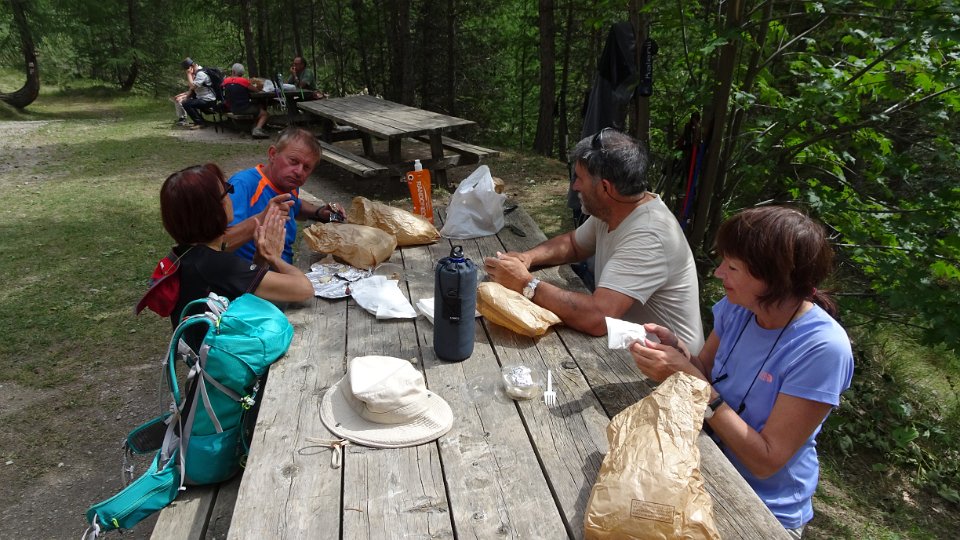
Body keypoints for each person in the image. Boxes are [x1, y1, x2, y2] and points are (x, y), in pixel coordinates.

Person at [629, 206, 854, 537]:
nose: (719, 273)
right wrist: (676, 353)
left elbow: (766, 461)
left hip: (762, 507)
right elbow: (704, 370)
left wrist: (692, 380)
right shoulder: (739, 308)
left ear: (774, 280)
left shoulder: (822, 349)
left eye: (732, 267)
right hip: (701, 466)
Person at [484, 128, 704, 351]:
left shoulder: (649, 235)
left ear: (605, 187)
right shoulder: (615, 208)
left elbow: (598, 318)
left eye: (579, 178)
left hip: (667, 366)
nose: (574, 186)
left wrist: (525, 283)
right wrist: (527, 258)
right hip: (629, 348)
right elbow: (573, 244)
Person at [158, 163, 314, 328]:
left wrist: (260, 260)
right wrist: (274, 258)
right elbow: (304, 289)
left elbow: (245, 290)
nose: (231, 196)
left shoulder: (186, 254)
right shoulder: (218, 265)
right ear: (216, 208)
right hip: (215, 345)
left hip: (196, 342)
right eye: (227, 190)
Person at [223, 127, 343, 264]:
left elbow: (295, 205)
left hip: (282, 268)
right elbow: (219, 243)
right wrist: (263, 218)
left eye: (306, 167)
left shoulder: (289, 184)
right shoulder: (244, 185)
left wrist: (319, 211)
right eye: (293, 161)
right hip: (253, 272)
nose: (299, 172)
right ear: (273, 154)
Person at [222, 63, 270, 139]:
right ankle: (257, 129)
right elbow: (257, 91)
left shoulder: (226, 80)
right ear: (242, 73)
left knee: (257, 107)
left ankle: (253, 125)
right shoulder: (244, 81)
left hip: (232, 108)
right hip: (244, 108)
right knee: (265, 114)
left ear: (233, 71)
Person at [181, 59, 217, 129]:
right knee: (186, 102)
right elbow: (192, 89)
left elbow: (192, 87)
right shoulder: (197, 72)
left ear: (191, 67)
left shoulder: (201, 74)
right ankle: (200, 121)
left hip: (209, 100)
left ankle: (200, 123)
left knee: (186, 104)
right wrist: (186, 97)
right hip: (203, 98)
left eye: (186, 70)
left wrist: (188, 74)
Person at [171, 58, 196, 127]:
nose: (186, 71)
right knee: (177, 98)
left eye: (187, 69)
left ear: (191, 67)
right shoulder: (193, 73)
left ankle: (183, 119)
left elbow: (193, 89)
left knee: (179, 100)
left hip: (197, 95)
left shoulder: (198, 73)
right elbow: (191, 89)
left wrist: (184, 96)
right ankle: (181, 117)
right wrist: (182, 94)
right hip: (193, 93)